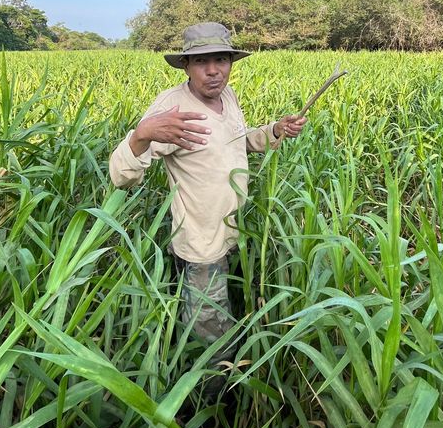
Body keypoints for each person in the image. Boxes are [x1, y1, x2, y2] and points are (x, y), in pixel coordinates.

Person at [109, 22, 306, 395]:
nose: (213, 70)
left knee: (224, 321)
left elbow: (235, 143)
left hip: (233, 235)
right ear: (186, 65)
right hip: (200, 247)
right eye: (201, 61)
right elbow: (120, 176)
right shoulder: (172, 108)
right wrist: (141, 135)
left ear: (231, 63)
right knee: (211, 342)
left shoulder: (228, 96)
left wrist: (276, 130)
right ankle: (211, 410)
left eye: (221, 59)